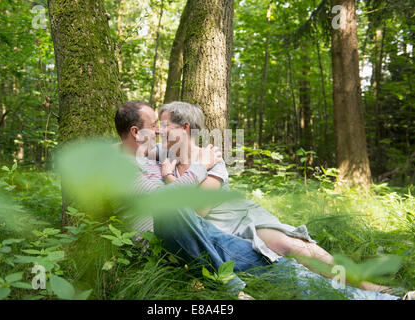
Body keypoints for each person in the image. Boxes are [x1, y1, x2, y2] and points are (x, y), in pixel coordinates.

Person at [114, 100, 404, 300]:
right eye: (156, 126)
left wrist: (186, 173)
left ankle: (371, 290)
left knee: (291, 251)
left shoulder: (209, 158)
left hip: (233, 218)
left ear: (185, 129)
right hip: (201, 230)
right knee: (282, 268)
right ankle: (234, 287)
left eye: (163, 126)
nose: (160, 131)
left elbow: (197, 207)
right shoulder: (153, 156)